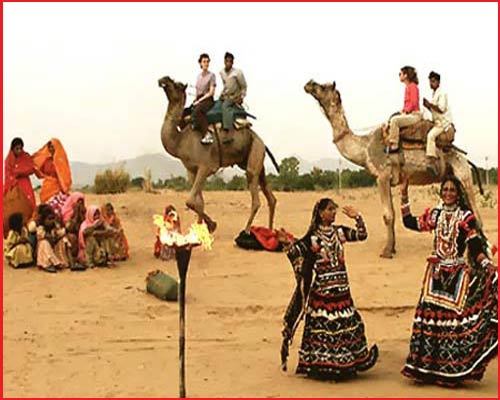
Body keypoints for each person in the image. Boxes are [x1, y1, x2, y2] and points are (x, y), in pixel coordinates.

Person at [399, 175, 498, 387]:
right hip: (434, 274)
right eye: (445, 190)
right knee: (430, 320)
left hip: (456, 275)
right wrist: (404, 193)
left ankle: (451, 371)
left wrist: (486, 264)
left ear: (458, 193)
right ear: (440, 192)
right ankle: (427, 369)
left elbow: (474, 245)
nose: (448, 193)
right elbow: (409, 222)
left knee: (453, 324)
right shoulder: (434, 215)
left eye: (452, 190)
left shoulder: (465, 217)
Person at [278, 198, 378, 381]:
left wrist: (358, 218)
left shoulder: (339, 232)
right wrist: (286, 243)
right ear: (320, 213)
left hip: (342, 290)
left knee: (347, 325)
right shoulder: (312, 238)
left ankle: (346, 363)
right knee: (327, 329)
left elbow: (362, 235)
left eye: (334, 209)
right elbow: (296, 252)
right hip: (323, 292)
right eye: (330, 209)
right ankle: (325, 367)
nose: (333, 213)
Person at [423, 71, 454, 176]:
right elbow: (434, 110)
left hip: (443, 123)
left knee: (430, 136)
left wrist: (429, 104)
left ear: (438, 82)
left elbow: (441, 109)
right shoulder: (435, 94)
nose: (431, 84)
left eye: (433, 81)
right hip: (436, 122)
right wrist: (428, 106)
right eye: (430, 81)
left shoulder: (442, 93)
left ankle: (431, 162)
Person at [386, 66, 422, 154]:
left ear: (405, 75)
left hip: (414, 115)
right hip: (410, 113)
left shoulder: (412, 87)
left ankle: (394, 145)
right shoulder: (408, 87)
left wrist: (404, 112)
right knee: (391, 119)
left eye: (400, 74)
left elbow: (413, 103)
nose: (399, 76)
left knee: (395, 121)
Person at [32, 138, 72, 216]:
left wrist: (64, 188)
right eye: (49, 147)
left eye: (52, 147)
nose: (51, 149)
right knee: (45, 210)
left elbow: (64, 176)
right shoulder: (47, 160)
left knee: (56, 210)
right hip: (46, 188)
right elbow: (37, 166)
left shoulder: (61, 161)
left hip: (57, 189)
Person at [35, 204, 73, 273]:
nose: (51, 221)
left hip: (53, 247)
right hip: (44, 251)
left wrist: (65, 229)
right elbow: (46, 237)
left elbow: (60, 233)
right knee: (45, 243)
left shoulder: (55, 226)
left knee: (64, 240)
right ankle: (47, 265)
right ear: (43, 220)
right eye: (49, 219)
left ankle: (68, 262)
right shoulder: (40, 228)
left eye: (52, 219)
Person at [3, 137, 37, 210]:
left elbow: (31, 168)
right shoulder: (8, 160)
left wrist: (17, 171)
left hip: (25, 182)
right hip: (14, 184)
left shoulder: (26, 156)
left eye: (21, 148)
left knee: (29, 202)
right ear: (12, 149)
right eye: (17, 149)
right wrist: (15, 179)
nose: (19, 151)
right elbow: (8, 174)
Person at [220, 52, 247, 132]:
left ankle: (228, 128)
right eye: (227, 61)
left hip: (234, 96)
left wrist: (241, 97)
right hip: (225, 95)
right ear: (224, 61)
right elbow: (225, 85)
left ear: (232, 62)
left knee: (225, 107)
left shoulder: (238, 73)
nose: (228, 63)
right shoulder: (222, 73)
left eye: (230, 62)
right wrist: (222, 93)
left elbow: (244, 86)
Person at [193, 53, 217, 145]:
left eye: (207, 61)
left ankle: (207, 134)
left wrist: (199, 101)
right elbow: (197, 90)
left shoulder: (212, 76)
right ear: (200, 63)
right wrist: (195, 100)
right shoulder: (198, 76)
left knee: (198, 111)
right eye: (204, 61)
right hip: (199, 99)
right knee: (186, 111)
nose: (206, 63)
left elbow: (211, 92)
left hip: (207, 99)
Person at [62, 192, 86, 258]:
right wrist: (75, 215)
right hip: (68, 234)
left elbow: (85, 225)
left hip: (80, 234)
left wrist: (81, 215)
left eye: (81, 202)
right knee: (72, 237)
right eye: (78, 202)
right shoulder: (66, 211)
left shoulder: (85, 212)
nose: (80, 204)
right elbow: (69, 228)